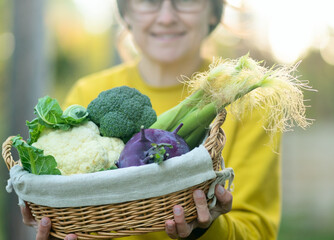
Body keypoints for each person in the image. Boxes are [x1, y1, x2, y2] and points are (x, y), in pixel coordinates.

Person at [21, 0, 282, 239]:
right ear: (126, 13)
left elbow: (257, 232)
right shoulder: (85, 94)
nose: (166, 17)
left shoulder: (247, 103)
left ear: (213, 12)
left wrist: (207, 229)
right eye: (149, 1)